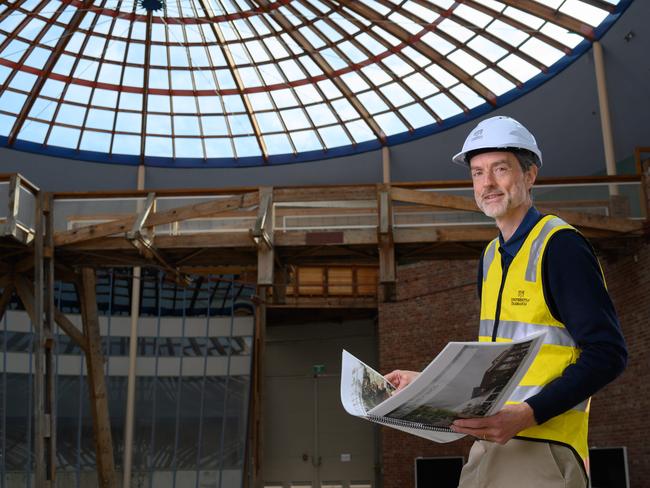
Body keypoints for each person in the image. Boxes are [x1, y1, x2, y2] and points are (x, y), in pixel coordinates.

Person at [385, 116, 627, 488]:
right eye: (478, 173)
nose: (488, 184)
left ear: (530, 176)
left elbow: (608, 354)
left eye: (500, 169)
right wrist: (426, 385)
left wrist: (528, 414)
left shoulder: (560, 246)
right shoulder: (491, 257)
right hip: (489, 444)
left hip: (543, 446)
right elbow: (497, 365)